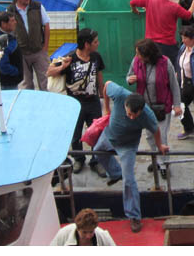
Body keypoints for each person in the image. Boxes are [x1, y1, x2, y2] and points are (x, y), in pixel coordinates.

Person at [92, 81, 167, 234]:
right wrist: (106, 108)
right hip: (110, 136)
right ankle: (115, 173)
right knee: (97, 151)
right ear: (125, 105)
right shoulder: (119, 94)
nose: (132, 117)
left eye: (135, 115)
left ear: (141, 110)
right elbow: (106, 85)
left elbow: (156, 130)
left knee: (129, 180)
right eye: (129, 114)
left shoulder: (148, 115)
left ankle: (134, 216)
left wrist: (160, 146)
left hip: (128, 146)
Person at [47, 27, 105, 174]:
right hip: (75, 102)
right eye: (95, 42)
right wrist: (63, 67)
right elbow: (48, 72)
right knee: (76, 133)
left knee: (96, 132)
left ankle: (96, 160)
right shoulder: (70, 58)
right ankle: (79, 159)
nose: (97, 44)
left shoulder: (96, 57)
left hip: (93, 101)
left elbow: (99, 75)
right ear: (87, 44)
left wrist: (103, 94)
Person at [127, 39, 181, 177]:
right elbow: (129, 76)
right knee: (150, 136)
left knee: (161, 136)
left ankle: (164, 165)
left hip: (162, 106)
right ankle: (156, 158)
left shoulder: (165, 63)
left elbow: (174, 85)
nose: (137, 57)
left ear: (148, 55)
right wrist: (130, 80)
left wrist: (177, 105)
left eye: (139, 54)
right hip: (144, 107)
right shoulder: (136, 62)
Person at [130, 0, 194, 71]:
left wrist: (135, 10)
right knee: (173, 68)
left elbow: (132, 2)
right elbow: (188, 15)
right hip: (167, 46)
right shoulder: (174, 7)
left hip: (150, 44)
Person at [6, 0, 50, 91]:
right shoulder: (10, 10)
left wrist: (45, 48)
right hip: (21, 53)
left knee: (46, 81)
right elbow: (8, 31)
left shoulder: (38, 6)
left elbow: (47, 26)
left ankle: (47, 104)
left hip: (39, 51)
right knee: (26, 84)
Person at [50, 208, 116, 246]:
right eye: (84, 232)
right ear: (77, 228)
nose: (88, 236)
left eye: (91, 232)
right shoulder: (63, 233)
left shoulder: (103, 235)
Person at [0, 11, 23, 89]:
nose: (15, 22)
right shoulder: (0, 40)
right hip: (8, 82)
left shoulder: (9, 35)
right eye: (12, 21)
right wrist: (16, 72)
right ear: (3, 24)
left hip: (11, 80)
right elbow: (3, 65)